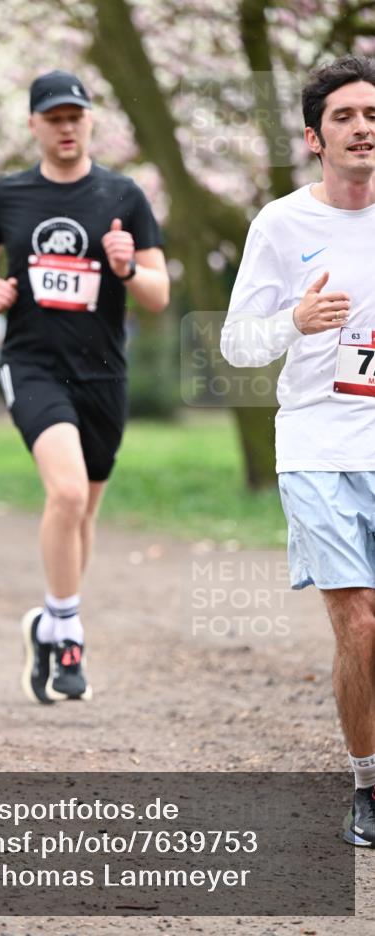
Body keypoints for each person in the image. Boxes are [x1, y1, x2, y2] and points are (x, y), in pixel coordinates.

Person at [0, 70, 168, 703]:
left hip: (104, 373)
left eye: (76, 114)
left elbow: (158, 296)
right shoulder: (10, 194)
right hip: (33, 365)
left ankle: (46, 622)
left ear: (90, 121)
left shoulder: (123, 196)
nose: (67, 125)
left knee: (84, 513)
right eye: (54, 117)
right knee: (68, 493)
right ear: (34, 126)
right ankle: (70, 635)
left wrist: (128, 267)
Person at [220, 55, 375, 846]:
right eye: (344, 116)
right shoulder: (280, 226)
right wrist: (294, 324)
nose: (361, 128)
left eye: (371, 115)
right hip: (315, 444)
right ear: (315, 137)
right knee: (358, 620)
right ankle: (367, 784)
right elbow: (235, 344)